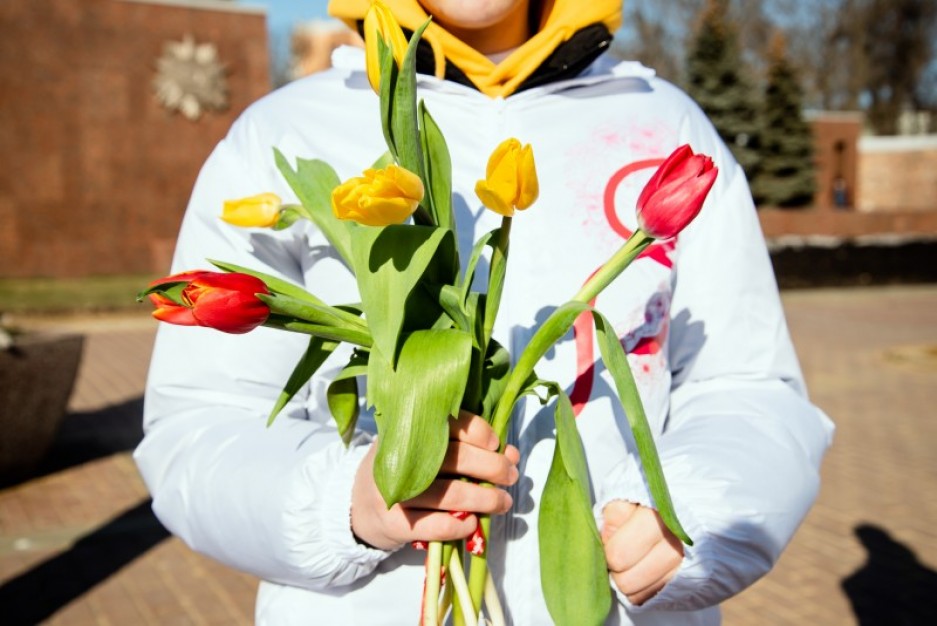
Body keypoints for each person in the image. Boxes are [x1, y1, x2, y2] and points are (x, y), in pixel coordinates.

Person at [134, 1, 834, 624]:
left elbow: (747, 386)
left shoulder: (662, 122)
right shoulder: (285, 132)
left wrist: (691, 508)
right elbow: (200, 425)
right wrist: (346, 503)